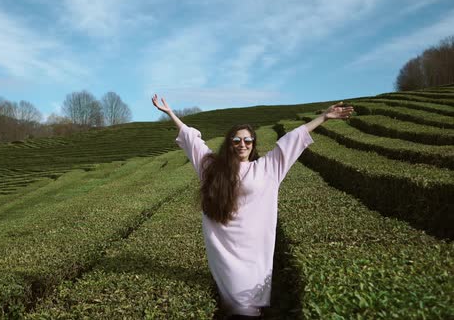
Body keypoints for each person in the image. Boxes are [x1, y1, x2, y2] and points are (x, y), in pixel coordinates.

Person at [151, 94, 354, 319]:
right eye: (236, 140)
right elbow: (192, 141)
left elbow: (293, 139)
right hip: (224, 246)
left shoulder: (267, 168)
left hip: (254, 248)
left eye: (247, 141)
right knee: (235, 301)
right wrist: (171, 115)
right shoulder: (214, 168)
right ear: (229, 144)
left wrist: (324, 117)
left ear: (253, 144)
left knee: (249, 301)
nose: (242, 145)